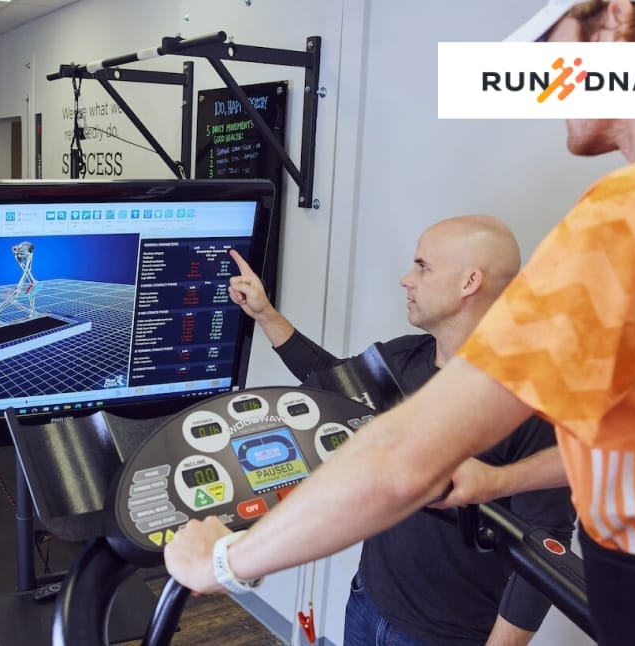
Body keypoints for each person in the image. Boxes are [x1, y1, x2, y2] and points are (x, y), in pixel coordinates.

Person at [163, 0, 635, 645]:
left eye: (552, 53)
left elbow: (403, 460)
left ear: (616, 21)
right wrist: (499, 480)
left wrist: (225, 561)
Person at [227, 214, 575, 646]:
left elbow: (546, 543)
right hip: (368, 602)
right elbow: (333, 381)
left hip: (445, 635)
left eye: (423, 267)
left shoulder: (528, 400)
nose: (406, 279)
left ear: (469, 282)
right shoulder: (405, 359)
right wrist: (265, 315)